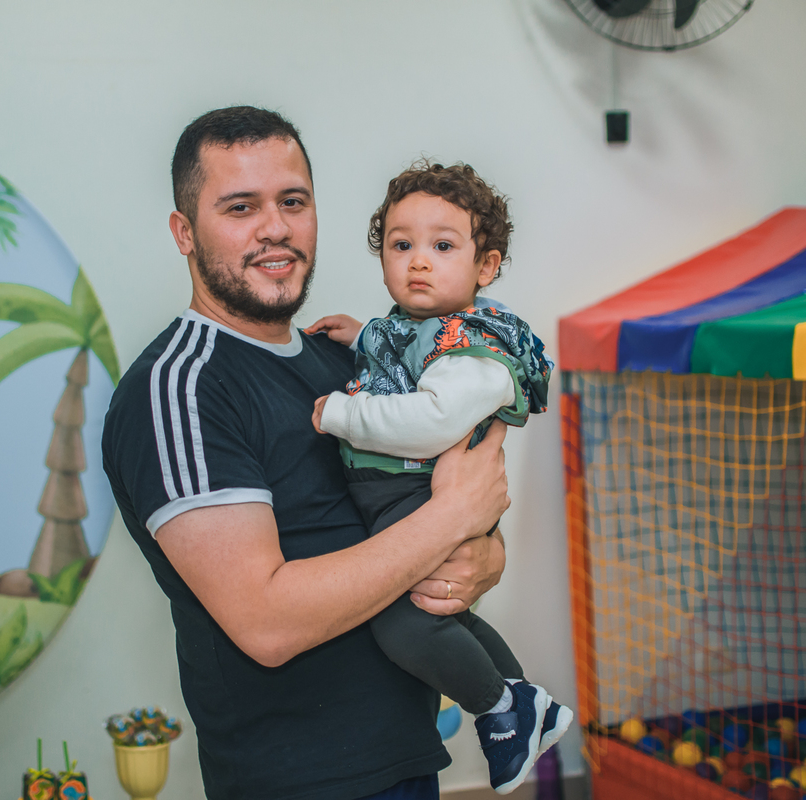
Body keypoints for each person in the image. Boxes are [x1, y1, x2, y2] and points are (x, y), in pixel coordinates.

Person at [102, 106, 511, 800]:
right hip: (300, 783)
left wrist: (482, 560)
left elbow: (457, 512)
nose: (275, 228)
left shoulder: (341, 362)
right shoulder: (179, 389)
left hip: (406, 759)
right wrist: (453, 518)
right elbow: (265, 622)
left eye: (293, 202)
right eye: (240, 207)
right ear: (184, 233)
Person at [308, 161, 572, 794]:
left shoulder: (474, 350)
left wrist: (342, 413)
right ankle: (524, 703)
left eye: (443, 246)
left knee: (403, 623)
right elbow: (401, 350)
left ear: (485, 267)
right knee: (440, 615)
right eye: (402, 245)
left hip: (416, 494)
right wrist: (362, 334)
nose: (418, 262)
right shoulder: (421, 331)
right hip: (402, 496)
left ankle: (495, 708)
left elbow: (428, 419)